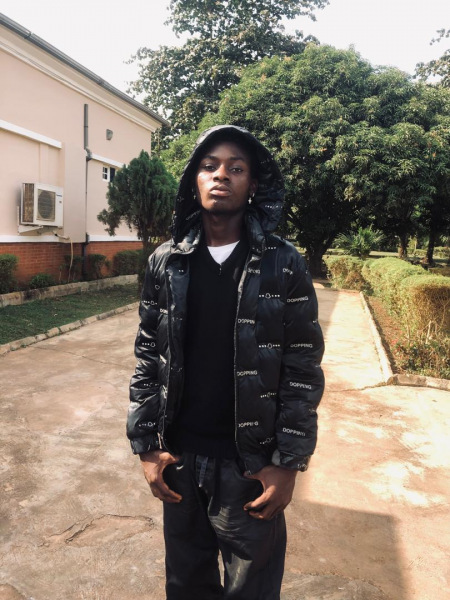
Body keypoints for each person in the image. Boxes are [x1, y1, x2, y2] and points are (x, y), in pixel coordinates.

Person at [127, 125, 325, 600]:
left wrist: (288, 463)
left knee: (252, 590)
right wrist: (147, 446)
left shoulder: (283, 263)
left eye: (236, 168)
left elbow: (302, 368)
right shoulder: (166, 261)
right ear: (193, 180)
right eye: (209, 166)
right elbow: (149, 356)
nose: (221, 175)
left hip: (250, 466)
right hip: (180, 460)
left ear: (253, 184)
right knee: (186, 586)